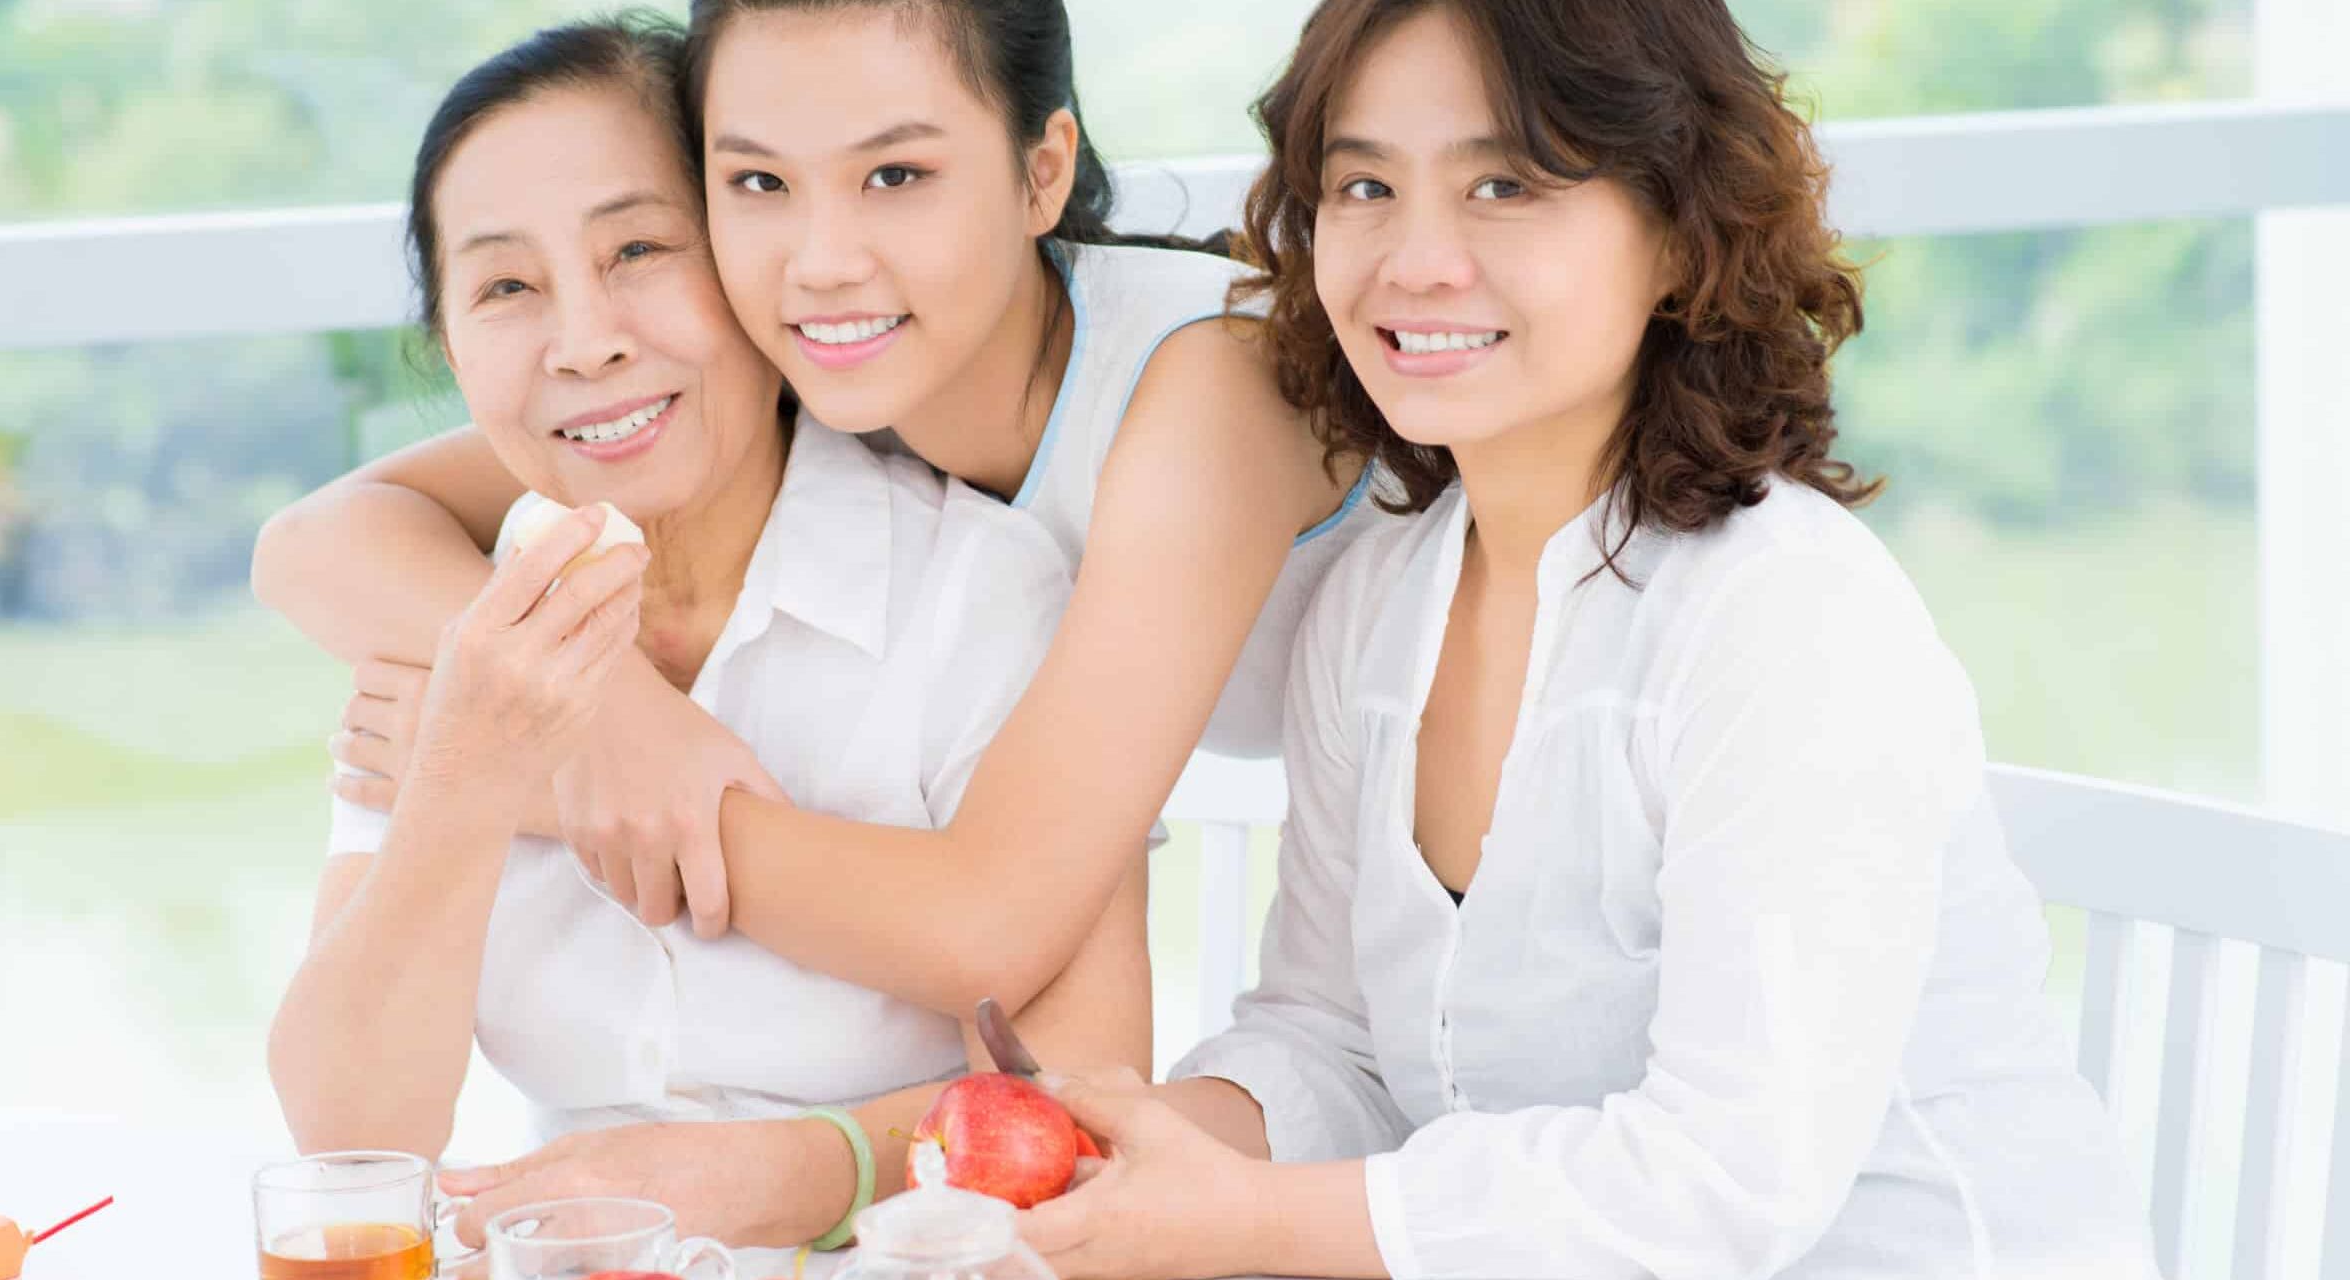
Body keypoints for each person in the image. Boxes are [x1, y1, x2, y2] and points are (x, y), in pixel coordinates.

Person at [1014, 2, 2157, 1277]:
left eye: (1504, 183)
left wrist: (1235, 1219)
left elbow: (1724, 1181)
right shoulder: (1377, 601)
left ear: (1677, 230)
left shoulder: (1783, 617)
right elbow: (1331, 1042)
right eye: (1364, 184)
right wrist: (1118, 1155)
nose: (1415, 258)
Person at [248, 0, 1381, 1030]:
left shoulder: (1204, 391)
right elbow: (317, 541)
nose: (823, 262)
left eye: (895, 175)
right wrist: (613, 718)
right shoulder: (828, 363)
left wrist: (547, 787)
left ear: (1041, 173)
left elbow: (986, 925)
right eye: (758, 184)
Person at [262, 17, 1147, 1253]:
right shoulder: (464, 621)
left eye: (638, 248)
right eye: (506, 285)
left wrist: (796, 1170)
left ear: (746, 257)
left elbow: (1080, 1098)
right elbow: (351, 1136)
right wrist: (476, 771)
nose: (585, 341)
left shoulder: (978, 590)